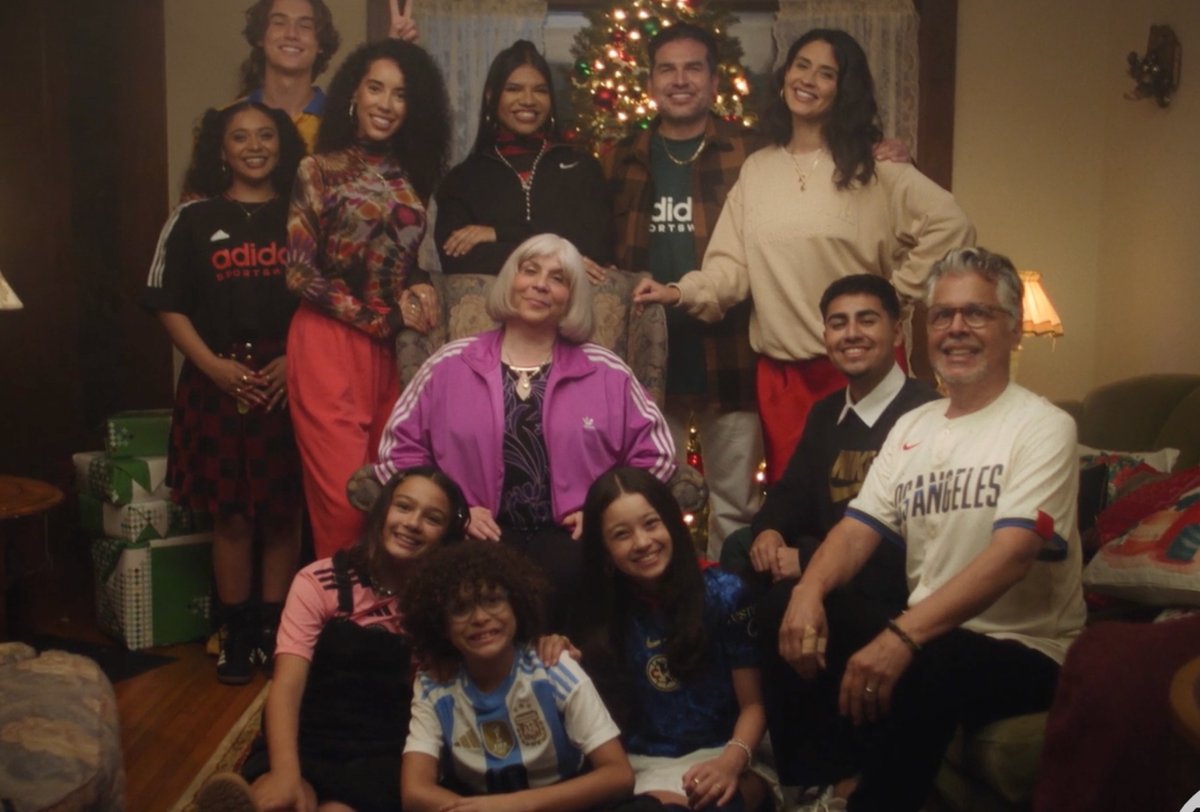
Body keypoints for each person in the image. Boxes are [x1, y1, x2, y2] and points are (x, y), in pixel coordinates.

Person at [777, 247, 1086, 811]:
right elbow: (853, 533)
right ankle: (818, 783)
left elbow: (1015, 554)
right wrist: (806, 592)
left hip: (1025, 648)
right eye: (943, 315)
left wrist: (901, 636)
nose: (956, 329)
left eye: (977, 314)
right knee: (801, 609)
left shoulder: (1043, 427)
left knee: (926, 661)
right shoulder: (912, 427)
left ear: (1013, 331)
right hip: (936, 632)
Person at [634, 29, 974, 486]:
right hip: (784, 380)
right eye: (801, 65)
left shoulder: (875, 166)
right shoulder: (758, 169)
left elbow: (952, 225)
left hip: (861, 369)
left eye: (826, 72)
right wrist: (678, 291)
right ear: (785, 76)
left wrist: (895, 296)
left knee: (873, 507)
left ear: (843, 88)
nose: (809, 79)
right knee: (793, 514)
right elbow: (730, 268)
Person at [376, 233, 675, 627]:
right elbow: (398, 452)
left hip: (572, 536)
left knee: (573, 577)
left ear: (571, 297)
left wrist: (605, 511)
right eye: (529, 271)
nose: (540, 284)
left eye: (557, 278)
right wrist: (455, 510)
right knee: (476, 586)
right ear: (509, 282)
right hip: (476, 533)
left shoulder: (606, 371)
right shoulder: (449, 364)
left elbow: (657, 453)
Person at [732, 274, 938, 800]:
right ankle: (789, 753)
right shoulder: (828, 413)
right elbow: (789, 492)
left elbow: (921, 539)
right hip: (830, 571)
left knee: (785, 603)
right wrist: (772, 530)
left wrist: (808, 564)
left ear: (895, 329)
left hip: (896, 582)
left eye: (866, 319)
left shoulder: (926, 414)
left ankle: (831, 772)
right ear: (825, 335)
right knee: (741, 553)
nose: (851, 333)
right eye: (838, 322)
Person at [142, 101, 306, 684]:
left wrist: (296, 359)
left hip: (289, 381)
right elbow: (165, 302)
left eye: (265, 135)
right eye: (240, 137)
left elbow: (323, 300)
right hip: (217, 381)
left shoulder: (302, 216)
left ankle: (275, 633)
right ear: (221, 149)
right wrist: (211, 366)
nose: (254, 145)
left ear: (281, 146)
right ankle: (236, 634)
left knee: (284, 514)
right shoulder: (190, 218)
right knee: (232, 517)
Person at [194, 467, 471, 812]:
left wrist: (548, 644)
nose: (412, 523)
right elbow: (287, 684)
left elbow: (492, 649)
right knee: (278, 799)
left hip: (379, 750)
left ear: (445, 536)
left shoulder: (442, 604)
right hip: (305, 735)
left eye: (432, 518)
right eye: (403, 507)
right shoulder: (317, 581)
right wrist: (285, 773)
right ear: (383, 511)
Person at [602, 23, 766, 557]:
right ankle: (668, 616)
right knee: (652, 507)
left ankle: (733, 616)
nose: (680, 80)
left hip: (733, 357)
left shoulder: (754, 154)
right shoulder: (619, 158)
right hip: (648, 368)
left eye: (693, 68)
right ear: (649, 82)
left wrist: (885, 153)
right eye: (667, 69)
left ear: (715, 81)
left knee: (737, 507)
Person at [287, 38, 450, 558]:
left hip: (392, 351)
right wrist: (375, 319)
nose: (386, 103)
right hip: (327, 342)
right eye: (375, 88)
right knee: (343, 498)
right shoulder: (318, 169)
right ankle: (341, 623)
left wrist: (418, 286)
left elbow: (401, 257)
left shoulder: (414, 176)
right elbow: (297, 273)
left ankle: (385, 622)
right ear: (353, 95)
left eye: (400, 94)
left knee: (390, 495)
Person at [573, 467, 771, 812]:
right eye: (622, 534)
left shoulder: (725, 593)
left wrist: (729, 764)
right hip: (640, 767)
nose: (643, 542)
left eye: (651, 524)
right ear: (604, 550)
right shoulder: (598, 609)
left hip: (726, 755)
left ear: (673, 523)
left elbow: (754, 705)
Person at [400, 540, 636, 811]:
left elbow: (619, 774)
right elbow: (415, 793)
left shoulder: (553, 667)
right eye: (460, 609)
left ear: (516, 606)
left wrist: (514, 807)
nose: (479, 618)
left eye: (492, 601)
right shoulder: (434, 684)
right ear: (441, 625)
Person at [434, 40, 614, 277]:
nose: (528, 100)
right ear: (491, 96)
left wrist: (499, 234)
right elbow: (457, 259)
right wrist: (561, 255)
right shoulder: (462, 180)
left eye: (540, 90)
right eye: (514, 89)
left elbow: (594, 247)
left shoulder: (582, 167)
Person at [237, 0, 418, 152]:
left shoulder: (346, 122)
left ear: (321, 43)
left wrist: (393, 51)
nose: (291, 34)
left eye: (305, 25)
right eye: (279, 22)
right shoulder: (230, 119)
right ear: (260, 37)